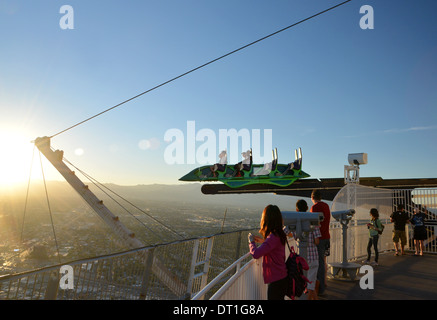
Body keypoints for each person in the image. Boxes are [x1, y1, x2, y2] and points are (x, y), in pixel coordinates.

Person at [248, 205, 288, 300]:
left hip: (276, 280)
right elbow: (273, 246)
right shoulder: (279, 234)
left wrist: (251, 242)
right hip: (281, 277)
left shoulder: (273, 237)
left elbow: (256, 254)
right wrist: (263, 241)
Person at [290, 199, 321, 300]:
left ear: (296, 210)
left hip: (301, 261)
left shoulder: (294, 221)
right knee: (311, 287)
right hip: (313, 258)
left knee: (304, 287)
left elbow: (284, 232)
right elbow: (317, 241)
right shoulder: (313, 220)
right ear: (307, 208)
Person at [310, 189, 330, 297]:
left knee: (319, 264)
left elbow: (312, 223)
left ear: (312, 197)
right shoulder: (326, 206)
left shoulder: (314, 207)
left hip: (319, 238)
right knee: (323, 262)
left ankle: (320, 289)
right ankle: (323, 284)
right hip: (327, 237)